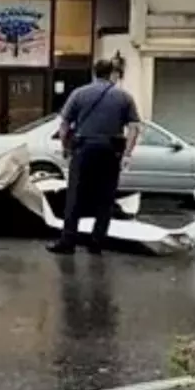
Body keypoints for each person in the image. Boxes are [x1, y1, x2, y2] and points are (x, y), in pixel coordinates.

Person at [47, 59, 141, 255]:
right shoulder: (124, 97)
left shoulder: (79, 94)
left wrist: (66, 147)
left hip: (83, 150)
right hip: (110, 151)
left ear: (94, 72)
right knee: (105, 198)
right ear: (111, 73)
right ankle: (97, 242)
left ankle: (68, 241)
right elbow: (134, 128)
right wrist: (127, 154)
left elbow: (64, 125)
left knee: (75, 196)